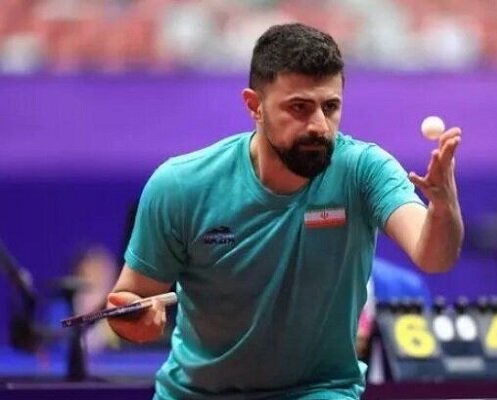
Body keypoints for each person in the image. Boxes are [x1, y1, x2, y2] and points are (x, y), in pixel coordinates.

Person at [106, 23, 464, 400]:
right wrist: (135, 322)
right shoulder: (180, 185)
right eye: (299, 108)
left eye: (330, 107)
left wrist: (443, 205)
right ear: (254, 106)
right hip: (194, 394)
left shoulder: (364, 171)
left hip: (318, 390)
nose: (319, 126)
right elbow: (131, 301)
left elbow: (434, 256)